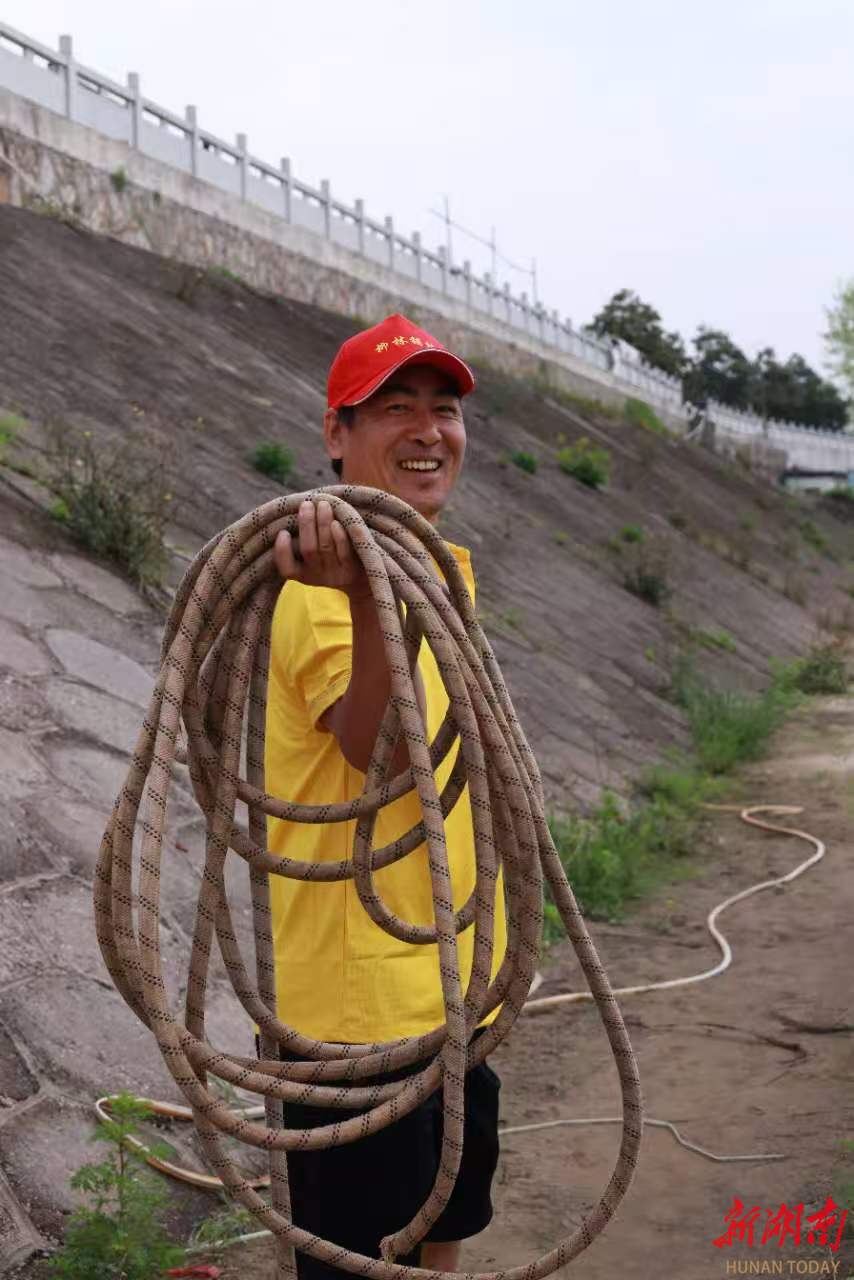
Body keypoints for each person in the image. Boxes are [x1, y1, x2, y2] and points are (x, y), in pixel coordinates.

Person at [264, 313, 508, 1277]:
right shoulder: (315, 586)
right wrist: (369, 600)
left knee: (443, 1236)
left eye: (444, 409)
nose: (428, 431)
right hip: (356, 1015)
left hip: (448, 989)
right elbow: (380, 756)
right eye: (395, 408)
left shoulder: (438, 570)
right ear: (337, 433)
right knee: (367, 1263)